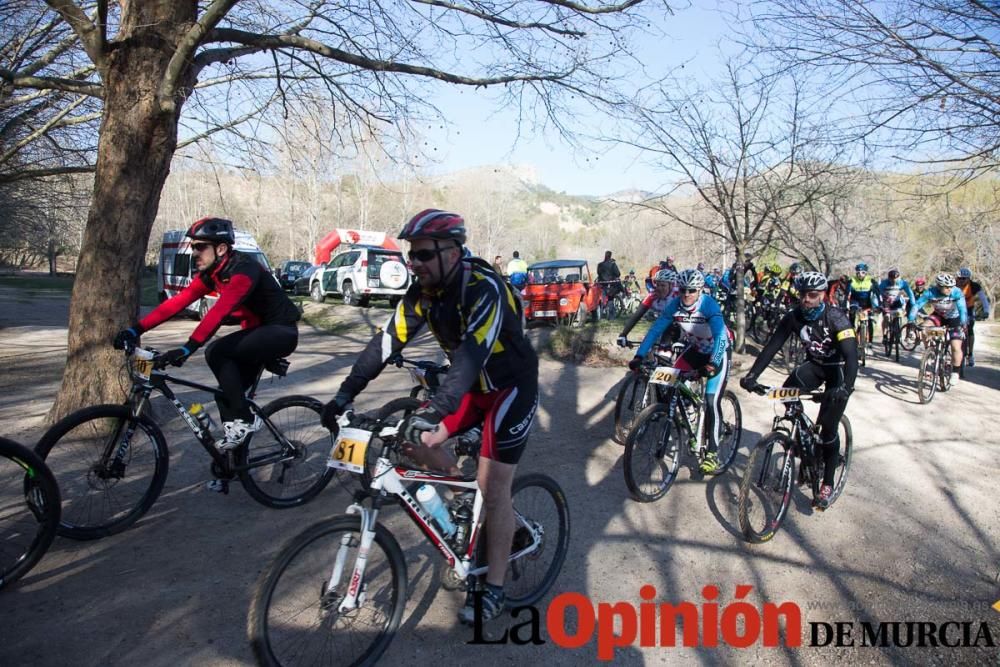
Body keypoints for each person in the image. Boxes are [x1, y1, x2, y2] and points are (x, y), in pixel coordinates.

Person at [320, 209, 538, 624]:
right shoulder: (424, 294)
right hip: (472, 391)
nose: (413, 263)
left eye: (422, 255)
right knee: (409, 442)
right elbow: (384, 344)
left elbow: (472, 355)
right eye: (410, 255)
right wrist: (344, 394)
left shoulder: (483, 287)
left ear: (452, 252)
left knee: (494, 490)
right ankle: (462, 508)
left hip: (511, 390)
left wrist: (435, 408)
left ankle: (493, 587)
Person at [114, 217, 300, 449]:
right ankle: (232, 461)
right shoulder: (212, 274)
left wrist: (188, 348)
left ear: (221, 248)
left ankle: (245, 419)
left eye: (200, 246)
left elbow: (219, 312)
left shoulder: (244, 270)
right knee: (225, 396)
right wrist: (135, 330)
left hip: (281, 331)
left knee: (217, 351)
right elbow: (176, 303)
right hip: (258, 333)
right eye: (193, 247)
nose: (194, 252)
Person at [740, 271, 857, 509]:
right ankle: (805, 442)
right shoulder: (793, 317)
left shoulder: (837, 319)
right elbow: (772, 346)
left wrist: (846, 388)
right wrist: (752, 376)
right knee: (788, 394)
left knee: (828, 431)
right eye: (803, 294)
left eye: (812, 295)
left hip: (838, 370)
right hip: (814, 367)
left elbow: (852, 356)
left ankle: (827, 482)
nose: (806, 299)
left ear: (823, 295)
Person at [628, 269, 731, 474]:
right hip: (694, 350)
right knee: (670, 380)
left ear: (700, 290)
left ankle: (712, 452)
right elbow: (656, 330)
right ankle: (687, 412)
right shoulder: (675, 305)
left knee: (711, 400)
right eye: (683, 290)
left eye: (691, 290)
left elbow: (720, 336)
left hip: (718, 352)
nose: (686, 294)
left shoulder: (708, 304)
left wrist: (714, 362)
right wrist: (639, 356)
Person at [909, 273, 968, 383]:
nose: (949, 289)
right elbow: (917, 305)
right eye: (946, 287)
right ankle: (930, 351)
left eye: (951, 286)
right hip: (938, 316)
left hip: (954, 319)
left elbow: (962, 309)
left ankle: (955, 372)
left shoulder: (956, 292)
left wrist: (963, 324)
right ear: (939, 286)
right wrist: (911, 320)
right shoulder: (931, 292)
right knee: (924, 328)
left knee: (955, 346)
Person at [617, 269, 677, 344]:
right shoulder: (652, 296)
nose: (659, 288)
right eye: (657, 285)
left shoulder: (678, 295)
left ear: (671, 286)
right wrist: (623, 334)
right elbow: (637, 316)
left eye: (663, 285)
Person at [955, 268, 991, 367]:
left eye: (964, 279)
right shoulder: (953, 284)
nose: (961, 281)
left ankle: (970, 354)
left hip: (969, 309)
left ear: (968, 279)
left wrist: (986, 311)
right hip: (955, 309)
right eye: (959, 278)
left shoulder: (974, 286)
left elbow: (983, 299)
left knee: (970, 329)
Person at [878, 268, 917, 346]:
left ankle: (897, 331)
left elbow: (910, 293)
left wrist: (913, 304)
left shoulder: (903, 283)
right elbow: (878, 292)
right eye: (892, 280)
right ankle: (885, 335)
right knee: (886, 317)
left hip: (897, 302)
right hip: (887, 302)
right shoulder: (884, 283)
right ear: (889, 278)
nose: (894, 281)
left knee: (899, 314)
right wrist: (880, 301)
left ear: (899, 278)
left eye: (896, 279)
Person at [848, 262, 879, 351]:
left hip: (867, 303)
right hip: (855, 301)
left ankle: (870, 342)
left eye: (862, 272)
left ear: (866, 273)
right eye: (858, 273)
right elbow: (847, 294)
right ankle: (851, 336)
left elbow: (878, 294)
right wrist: (844, 305)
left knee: (870, 321)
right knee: (852, 314)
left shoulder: (871, 281)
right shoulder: (852, 280)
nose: (860, 274)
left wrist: (880, 305)